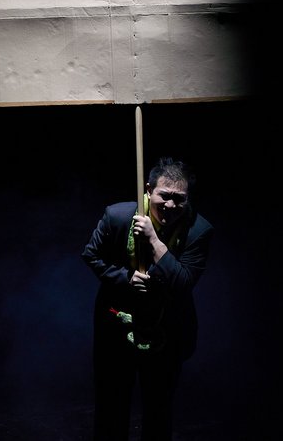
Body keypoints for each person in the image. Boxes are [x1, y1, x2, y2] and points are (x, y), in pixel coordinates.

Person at [81, 156, 214, 441]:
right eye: (164, 196)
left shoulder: (199, 230)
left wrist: (154, 240)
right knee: (111, 407)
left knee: (159, 409)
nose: (171, 205)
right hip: (116, 330)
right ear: (149, 189)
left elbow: (183, 282)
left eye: (179, 199)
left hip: (167, 332)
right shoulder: (118, 216)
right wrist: (125, 278)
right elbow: (91, 255)